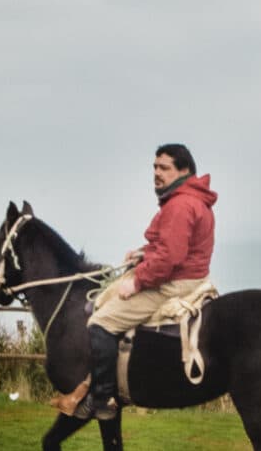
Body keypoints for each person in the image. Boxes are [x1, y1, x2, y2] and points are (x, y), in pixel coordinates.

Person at [76, 143, 218, 421]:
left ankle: (102, 399)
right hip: (189, 276)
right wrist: (143, 253)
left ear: (184, 170)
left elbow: (170, 258)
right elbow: (172, 246)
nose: (156, 173)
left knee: (101, 322)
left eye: (164, 168)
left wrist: (137, 281)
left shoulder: (180, 204)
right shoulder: (191, 199)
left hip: (172, 283)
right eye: (155, 167)